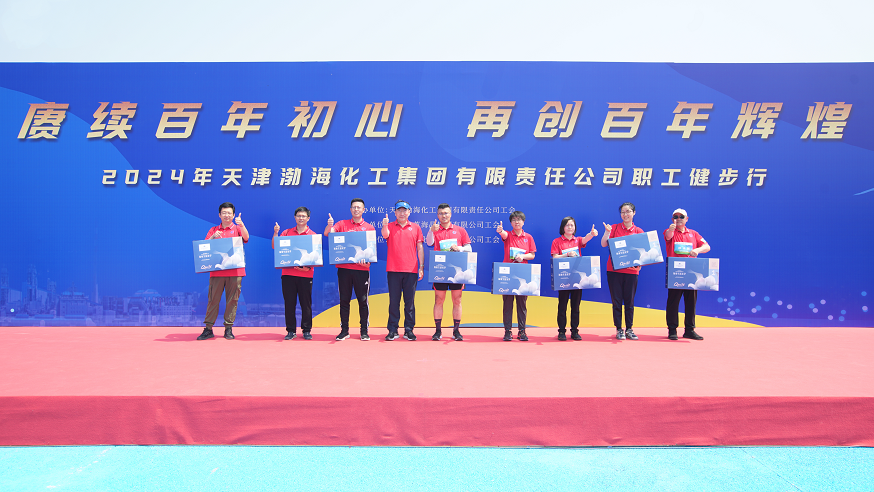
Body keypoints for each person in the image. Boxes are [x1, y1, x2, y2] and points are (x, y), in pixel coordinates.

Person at [325, 198, 375, 341]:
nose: (356, 209)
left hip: (362, 271)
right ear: (350, 209)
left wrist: (367, 262)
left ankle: (364, 331)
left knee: (363, 301)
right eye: (354, 207)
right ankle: (344, 330)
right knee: (344, 300)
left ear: (363, 210)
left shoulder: (369, 228)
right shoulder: (342, 224)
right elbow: (329, 234)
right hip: (344, 270)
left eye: (359, 207)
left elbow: (371, 251)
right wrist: (329, 226)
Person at [198, 202, 249, 340]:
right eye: (224, 213)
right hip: (217, 272)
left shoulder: (238, 228)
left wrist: (242, 225)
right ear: (219, 215)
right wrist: (212, 238)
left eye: (229, 213)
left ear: (233, 215)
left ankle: (228, 328)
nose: (227, 215)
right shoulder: (213, 230)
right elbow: (204, 247)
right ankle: (208, 329)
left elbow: (246, 238)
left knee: (232, 301)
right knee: (213, 300)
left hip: (235, 271)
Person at [426, 203, 472, 341]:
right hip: (440, 270)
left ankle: (456, 331)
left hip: (457, 271)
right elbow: (428, 243)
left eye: (446, 213)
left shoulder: (460, 230)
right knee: (439, 299)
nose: (443, 216)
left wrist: (459, 248)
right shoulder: (434, 229)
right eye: (440, 213)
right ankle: (438, 331)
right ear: (437, 215)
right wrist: (431, 231)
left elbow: (469, 248)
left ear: (450, 214)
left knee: (457, 300)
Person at [664, 208, 710, 340]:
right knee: (673, 302)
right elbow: (668, 236)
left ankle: (689, 330)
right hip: (676, 273)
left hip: (692, 273)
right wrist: (671, 229)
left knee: (691, 302)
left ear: (686, 219)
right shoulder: (670, 231)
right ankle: (672, 330)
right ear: (672, 219)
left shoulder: (693, 234)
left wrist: (697, 250)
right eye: (675, 216)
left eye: (681, 216)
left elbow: (707, 247)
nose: (678, 219)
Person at [382, 200, 424, 341]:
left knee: (409, 302)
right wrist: (384, 225)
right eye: (399, 210)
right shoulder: (389, 226)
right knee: (394, 301)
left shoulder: (416, 227)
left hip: (411, 270)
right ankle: (393, 330)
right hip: (393, 269)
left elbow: (420, 248)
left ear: (409, 212)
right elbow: (385, 235)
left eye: (404, 210)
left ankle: (409, 330)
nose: (402, 213)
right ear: (395, 212)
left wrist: (421, 267)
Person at [273, 206, 318, 340]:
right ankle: (291, 330)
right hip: (288, 274)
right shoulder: (286, 232)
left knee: (306, 304)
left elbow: (316, 256)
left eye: (303, 216)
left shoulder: (313, 235)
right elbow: (275, 246)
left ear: (308, 218)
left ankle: (306, 330)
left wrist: (307, 268)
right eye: (299, 216)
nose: (301, 218)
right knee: (289, 303)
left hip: (306, 275)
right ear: (295, 217)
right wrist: (276, 233)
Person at [600, 202, 643, 341]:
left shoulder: (639, 231)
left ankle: (629, 329)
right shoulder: (614, 228)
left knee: (629, 302)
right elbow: (603, 244)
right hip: (614, 271)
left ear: (634, 213)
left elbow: (643, 253)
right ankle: (619, 329)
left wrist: (640, 264)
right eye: (623, 212)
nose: (625, 214)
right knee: (616, 301)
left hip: (631, 273)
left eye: (628, 211)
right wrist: (607, 232)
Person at [550, 217, 598, 341]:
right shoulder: (557, 241)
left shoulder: (578, 240)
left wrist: (591, 234)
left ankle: (575, 331)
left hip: (578, 280)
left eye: (572, 225)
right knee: (562, 306)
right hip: (563, 279)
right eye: (567, 225)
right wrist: (567, 254)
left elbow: (586, 239)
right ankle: (561, 331)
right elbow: (555, 257)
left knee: (575, 306)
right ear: (563, 227)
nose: (570, 227)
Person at [497, 210, 536, 341]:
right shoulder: (508, 235)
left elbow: (532, 255)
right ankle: (508, 331)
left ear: (523, 222)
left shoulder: (528, 237)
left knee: (522, 304)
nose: (516, 222)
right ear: (511, 223)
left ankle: (522, 331)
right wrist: (500, 231)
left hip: (523, 274)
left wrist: (523, 257)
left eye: (519, 219)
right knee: (507, 304)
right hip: (508, 274)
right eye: (514, 220)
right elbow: (503, 234)